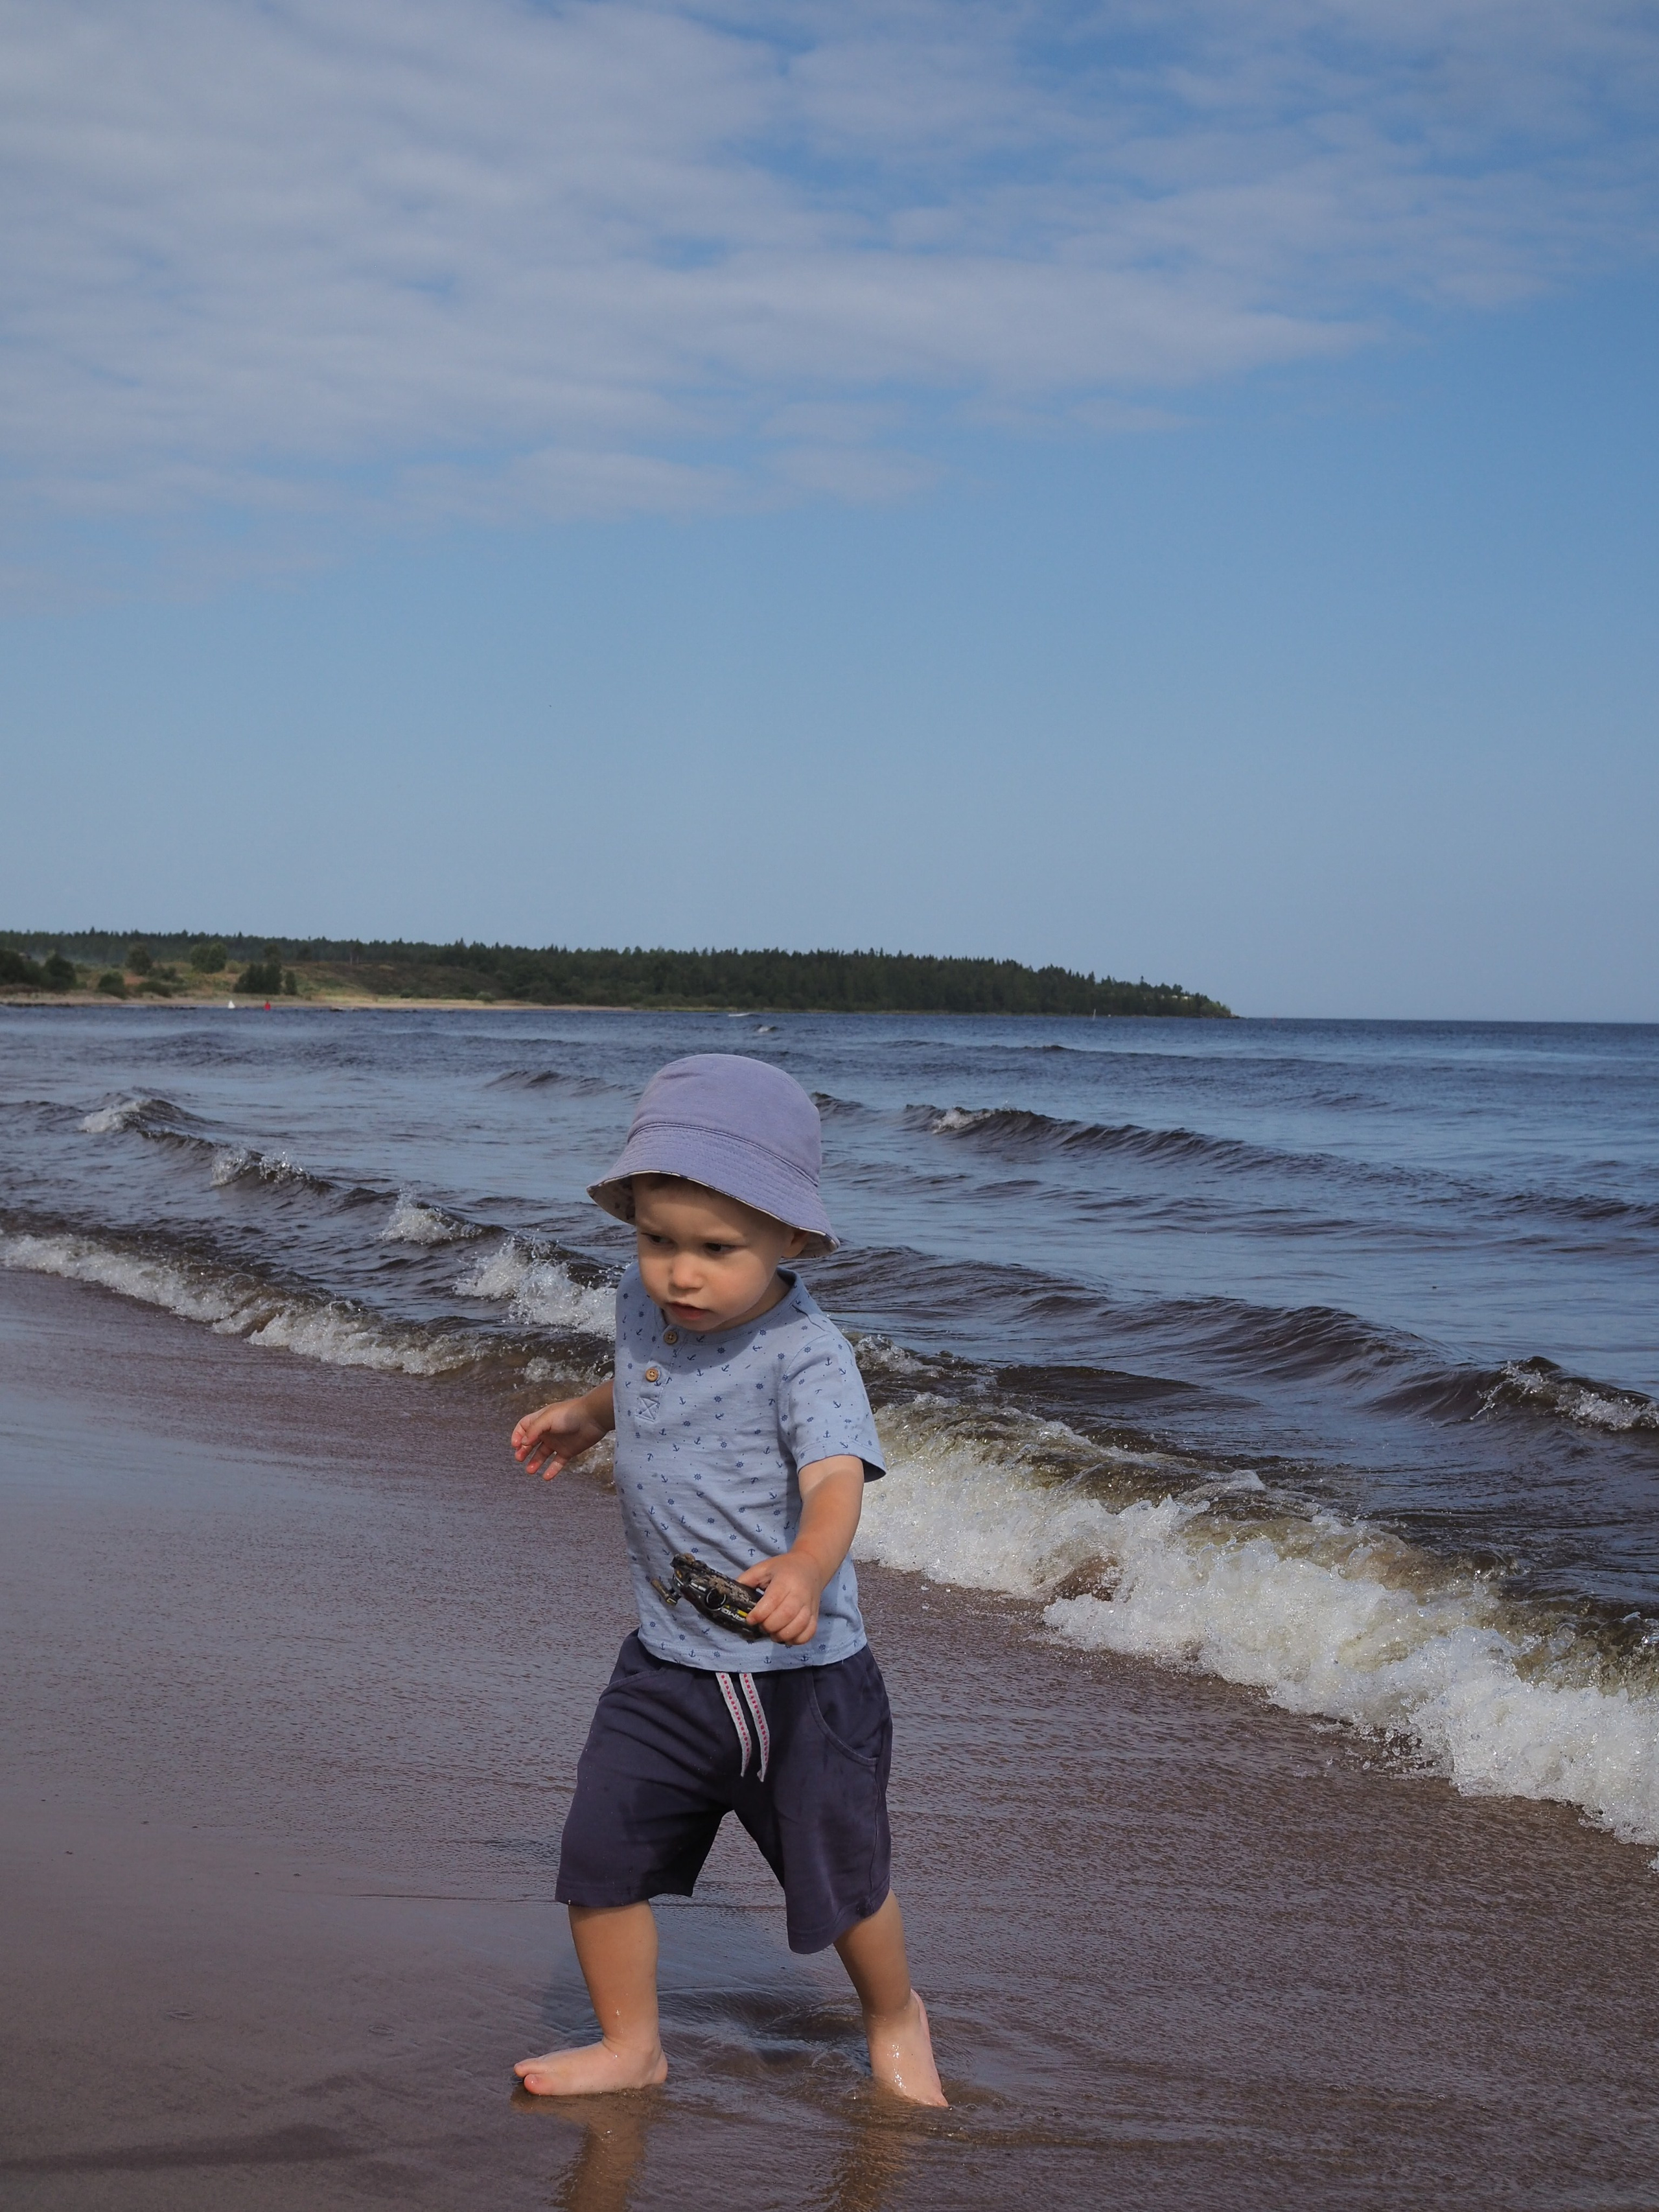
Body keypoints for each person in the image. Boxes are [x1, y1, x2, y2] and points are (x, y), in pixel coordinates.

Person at [509, 1053, 946, 2106]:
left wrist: (807, 1562)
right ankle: (631, 2046)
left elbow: (836, 1482)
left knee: (842, 1883)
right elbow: (649, 1377)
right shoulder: (641, 1301)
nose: (680, 1275)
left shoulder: (809, 1355)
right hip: (666, 1665)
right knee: (598, 1854)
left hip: (803, 1684)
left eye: (716, 1249)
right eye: (657, 1239)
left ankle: (895, 2014)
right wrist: (588, 1412)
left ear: (789, 1238)